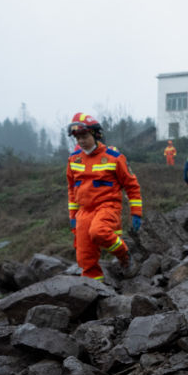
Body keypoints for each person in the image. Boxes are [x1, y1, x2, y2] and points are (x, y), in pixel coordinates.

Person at [65, 112, 143, 280]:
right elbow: (72, 189)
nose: (81, 141)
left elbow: (132, 186)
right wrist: (73, 215)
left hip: (107, 206)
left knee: (99, 232)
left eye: (84, 136)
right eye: (77, 137)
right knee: (85, 258)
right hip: (83, 212)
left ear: (95, 134)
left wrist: (136, 212)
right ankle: (96, 290)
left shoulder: (114, 157)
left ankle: (124, 256)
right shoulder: (73, 159)